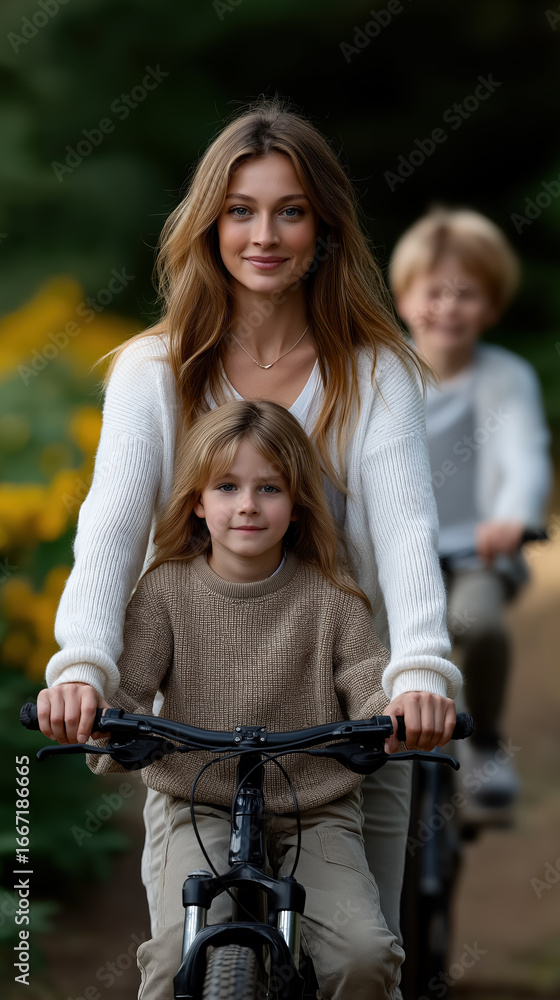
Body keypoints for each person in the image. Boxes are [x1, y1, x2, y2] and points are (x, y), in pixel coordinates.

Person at [37, 97, 461, 948]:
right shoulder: (153, 372)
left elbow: (408, 530)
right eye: (240, 211)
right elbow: (111, 530)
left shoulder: (376, 372)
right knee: (185, 953)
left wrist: (418, 670)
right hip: (201, 720)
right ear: (210, 225)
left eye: (290, 212)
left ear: (325, 228)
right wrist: (83, 665)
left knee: (363, 955)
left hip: (357, 712)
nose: (264, 235)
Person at [81, 398, 407, 1000]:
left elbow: (367, 675)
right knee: (171, 958)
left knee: (363, 956)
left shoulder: (332, 594)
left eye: (269, 488)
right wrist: (97, 717)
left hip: (316, 804)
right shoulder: (164, 591)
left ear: (297, 503)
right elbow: (128, 687)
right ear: (197, 501)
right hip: (198, 800)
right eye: (227, 486)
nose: (248, 505)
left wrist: (392, 713)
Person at [390, 206, 551, 820]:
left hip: (474, 551)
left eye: (467, 294)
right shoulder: (385, 372)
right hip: (396, 552)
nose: (449, 308)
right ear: (404, 299)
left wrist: (511, 515)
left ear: (492, 305)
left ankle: (484, 743)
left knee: (478, 624)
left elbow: (524, 456)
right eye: (434, 292)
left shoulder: (505, 377)